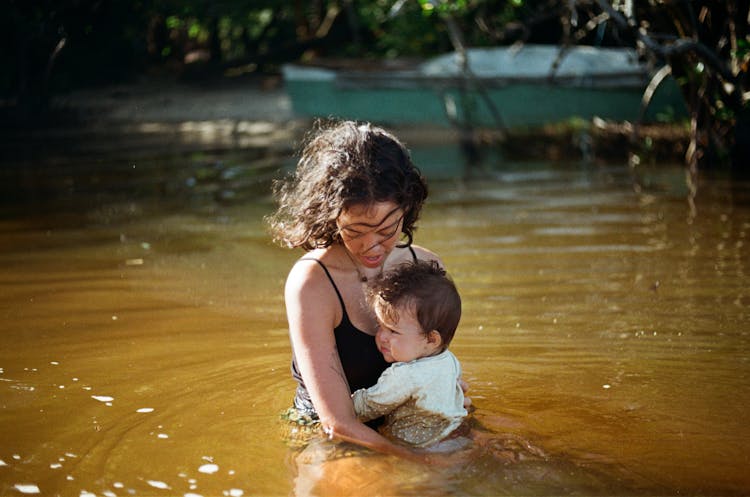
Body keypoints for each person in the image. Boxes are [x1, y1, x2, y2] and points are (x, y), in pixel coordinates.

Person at [268, 120, 465, 461]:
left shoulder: (426, 267)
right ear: (332, 216)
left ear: (408, 208)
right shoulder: (312, 283)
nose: (372, 246)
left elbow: (437, 368)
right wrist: (414, 461)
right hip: (330, 437)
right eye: (356, 230)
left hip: (407, 428)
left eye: (387, 228)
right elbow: (337, 423)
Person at [352, 259, 467, 449]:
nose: (381, 337)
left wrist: (339, 405)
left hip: (423, 448)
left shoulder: (406, 375)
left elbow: (368, 407)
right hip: (453, 434)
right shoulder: (449, 360)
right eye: (379, 326)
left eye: (393, 331)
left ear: (431, 340)